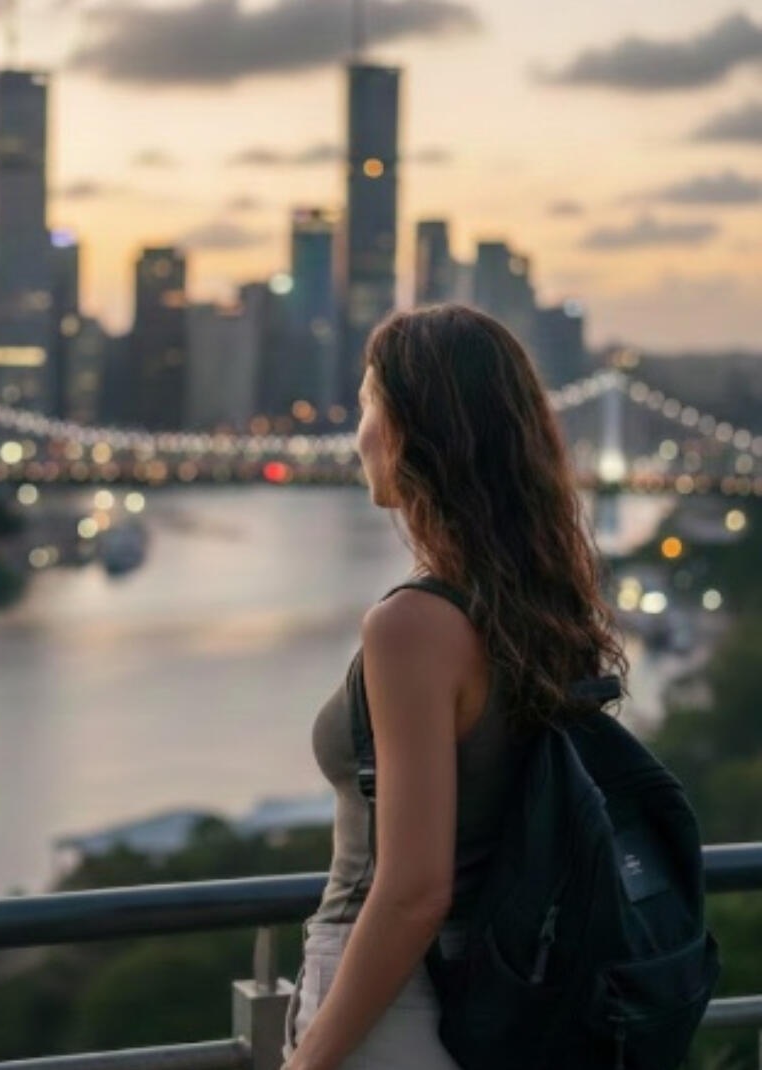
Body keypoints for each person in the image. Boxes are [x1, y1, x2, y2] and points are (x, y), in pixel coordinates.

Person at [279, 302, 629, 1070]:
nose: (358, 434)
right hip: (512, 980)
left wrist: (310, 1061)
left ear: (411, 431)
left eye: (368, 406)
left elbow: (413, 889)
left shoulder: (411, 626)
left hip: (391, 999)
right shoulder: (535, 607)